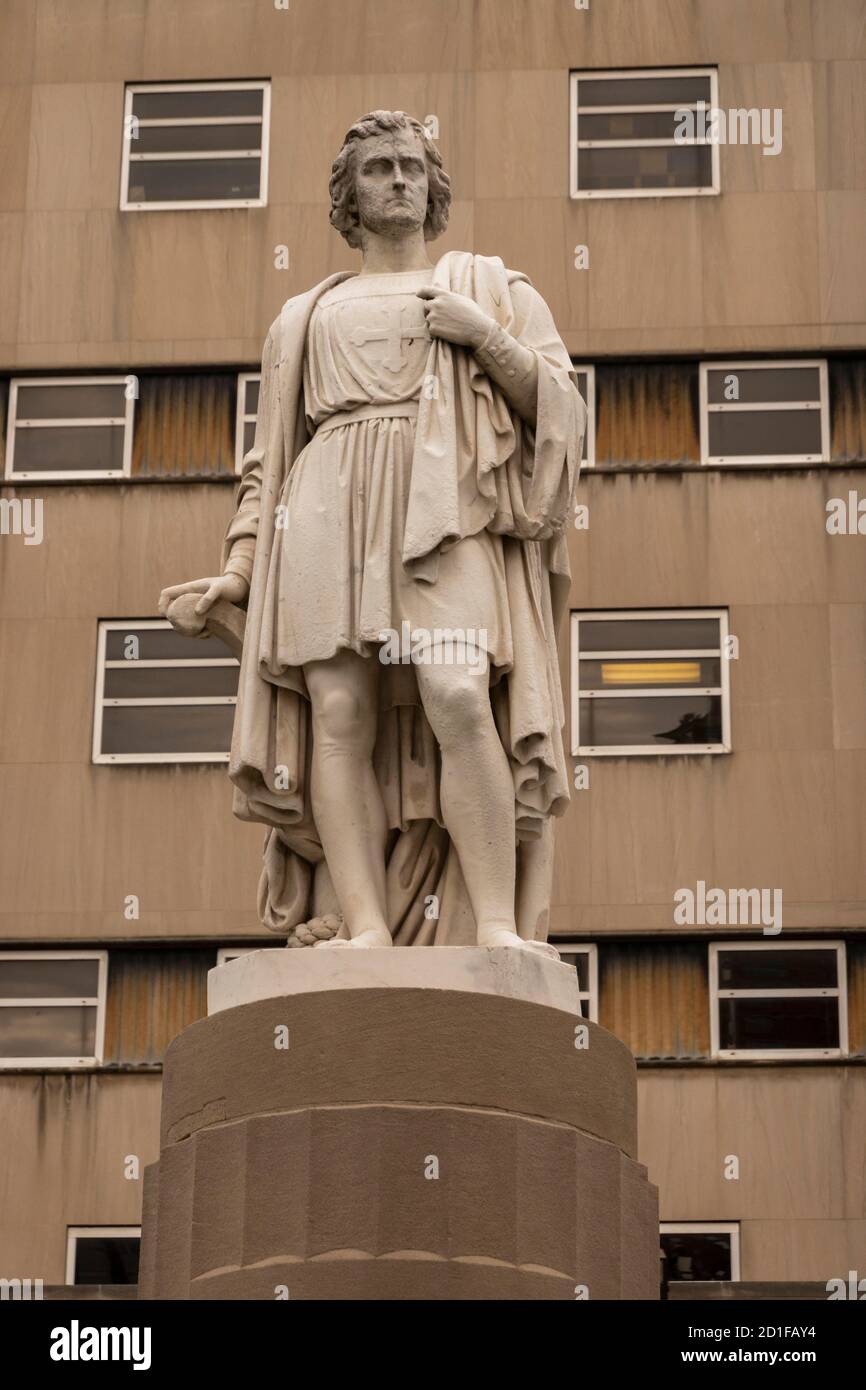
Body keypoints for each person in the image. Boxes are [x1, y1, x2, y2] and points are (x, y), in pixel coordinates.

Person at [159, 110, 585, 953]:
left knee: (461, 695)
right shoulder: (305, 315)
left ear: (434, 192)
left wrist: (486, 337)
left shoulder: (492, 287)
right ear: (347, 197)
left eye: (412, 168)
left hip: (446, 506)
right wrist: (240, 569)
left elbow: (562, 408)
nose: (397, 179)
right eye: (378, 168)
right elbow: (269, 460)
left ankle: (496, 924)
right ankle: (364, 929)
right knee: (340, 714)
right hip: (326, 506)